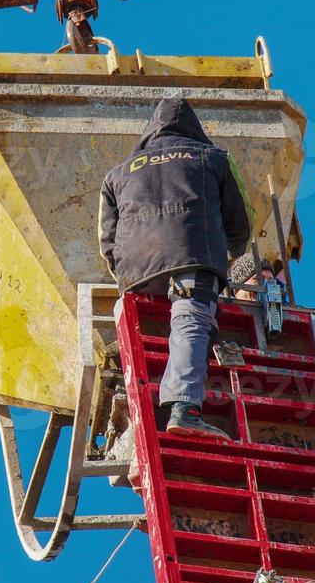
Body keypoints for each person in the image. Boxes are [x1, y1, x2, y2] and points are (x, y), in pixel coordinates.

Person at [98, 97, 252, 440]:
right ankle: (183, 410)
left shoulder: (117, 174)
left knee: (155, 329)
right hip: (191, 258)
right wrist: (229, 259)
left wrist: (126, 274)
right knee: (191, 324)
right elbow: (240, 225)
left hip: (136, 271)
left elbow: (106, 241)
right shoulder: (214, 159)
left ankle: (141, 415)